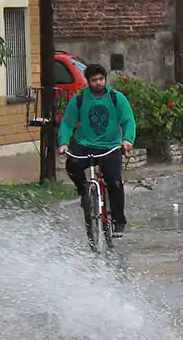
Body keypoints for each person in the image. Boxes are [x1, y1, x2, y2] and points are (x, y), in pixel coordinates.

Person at [57, 63, 136, 237]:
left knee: (114, 181)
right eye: (94, 80)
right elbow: (67, 123)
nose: (98, 83)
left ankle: (118, 220)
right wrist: (63, 143)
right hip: (85, 143)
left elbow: (129, 120)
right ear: (88, 81)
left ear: (105, 79)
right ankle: (84, 191)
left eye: (101, 79)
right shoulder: (79, 100)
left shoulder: (116, 98)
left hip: (110, 146)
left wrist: (127, 140)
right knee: (72, 165)